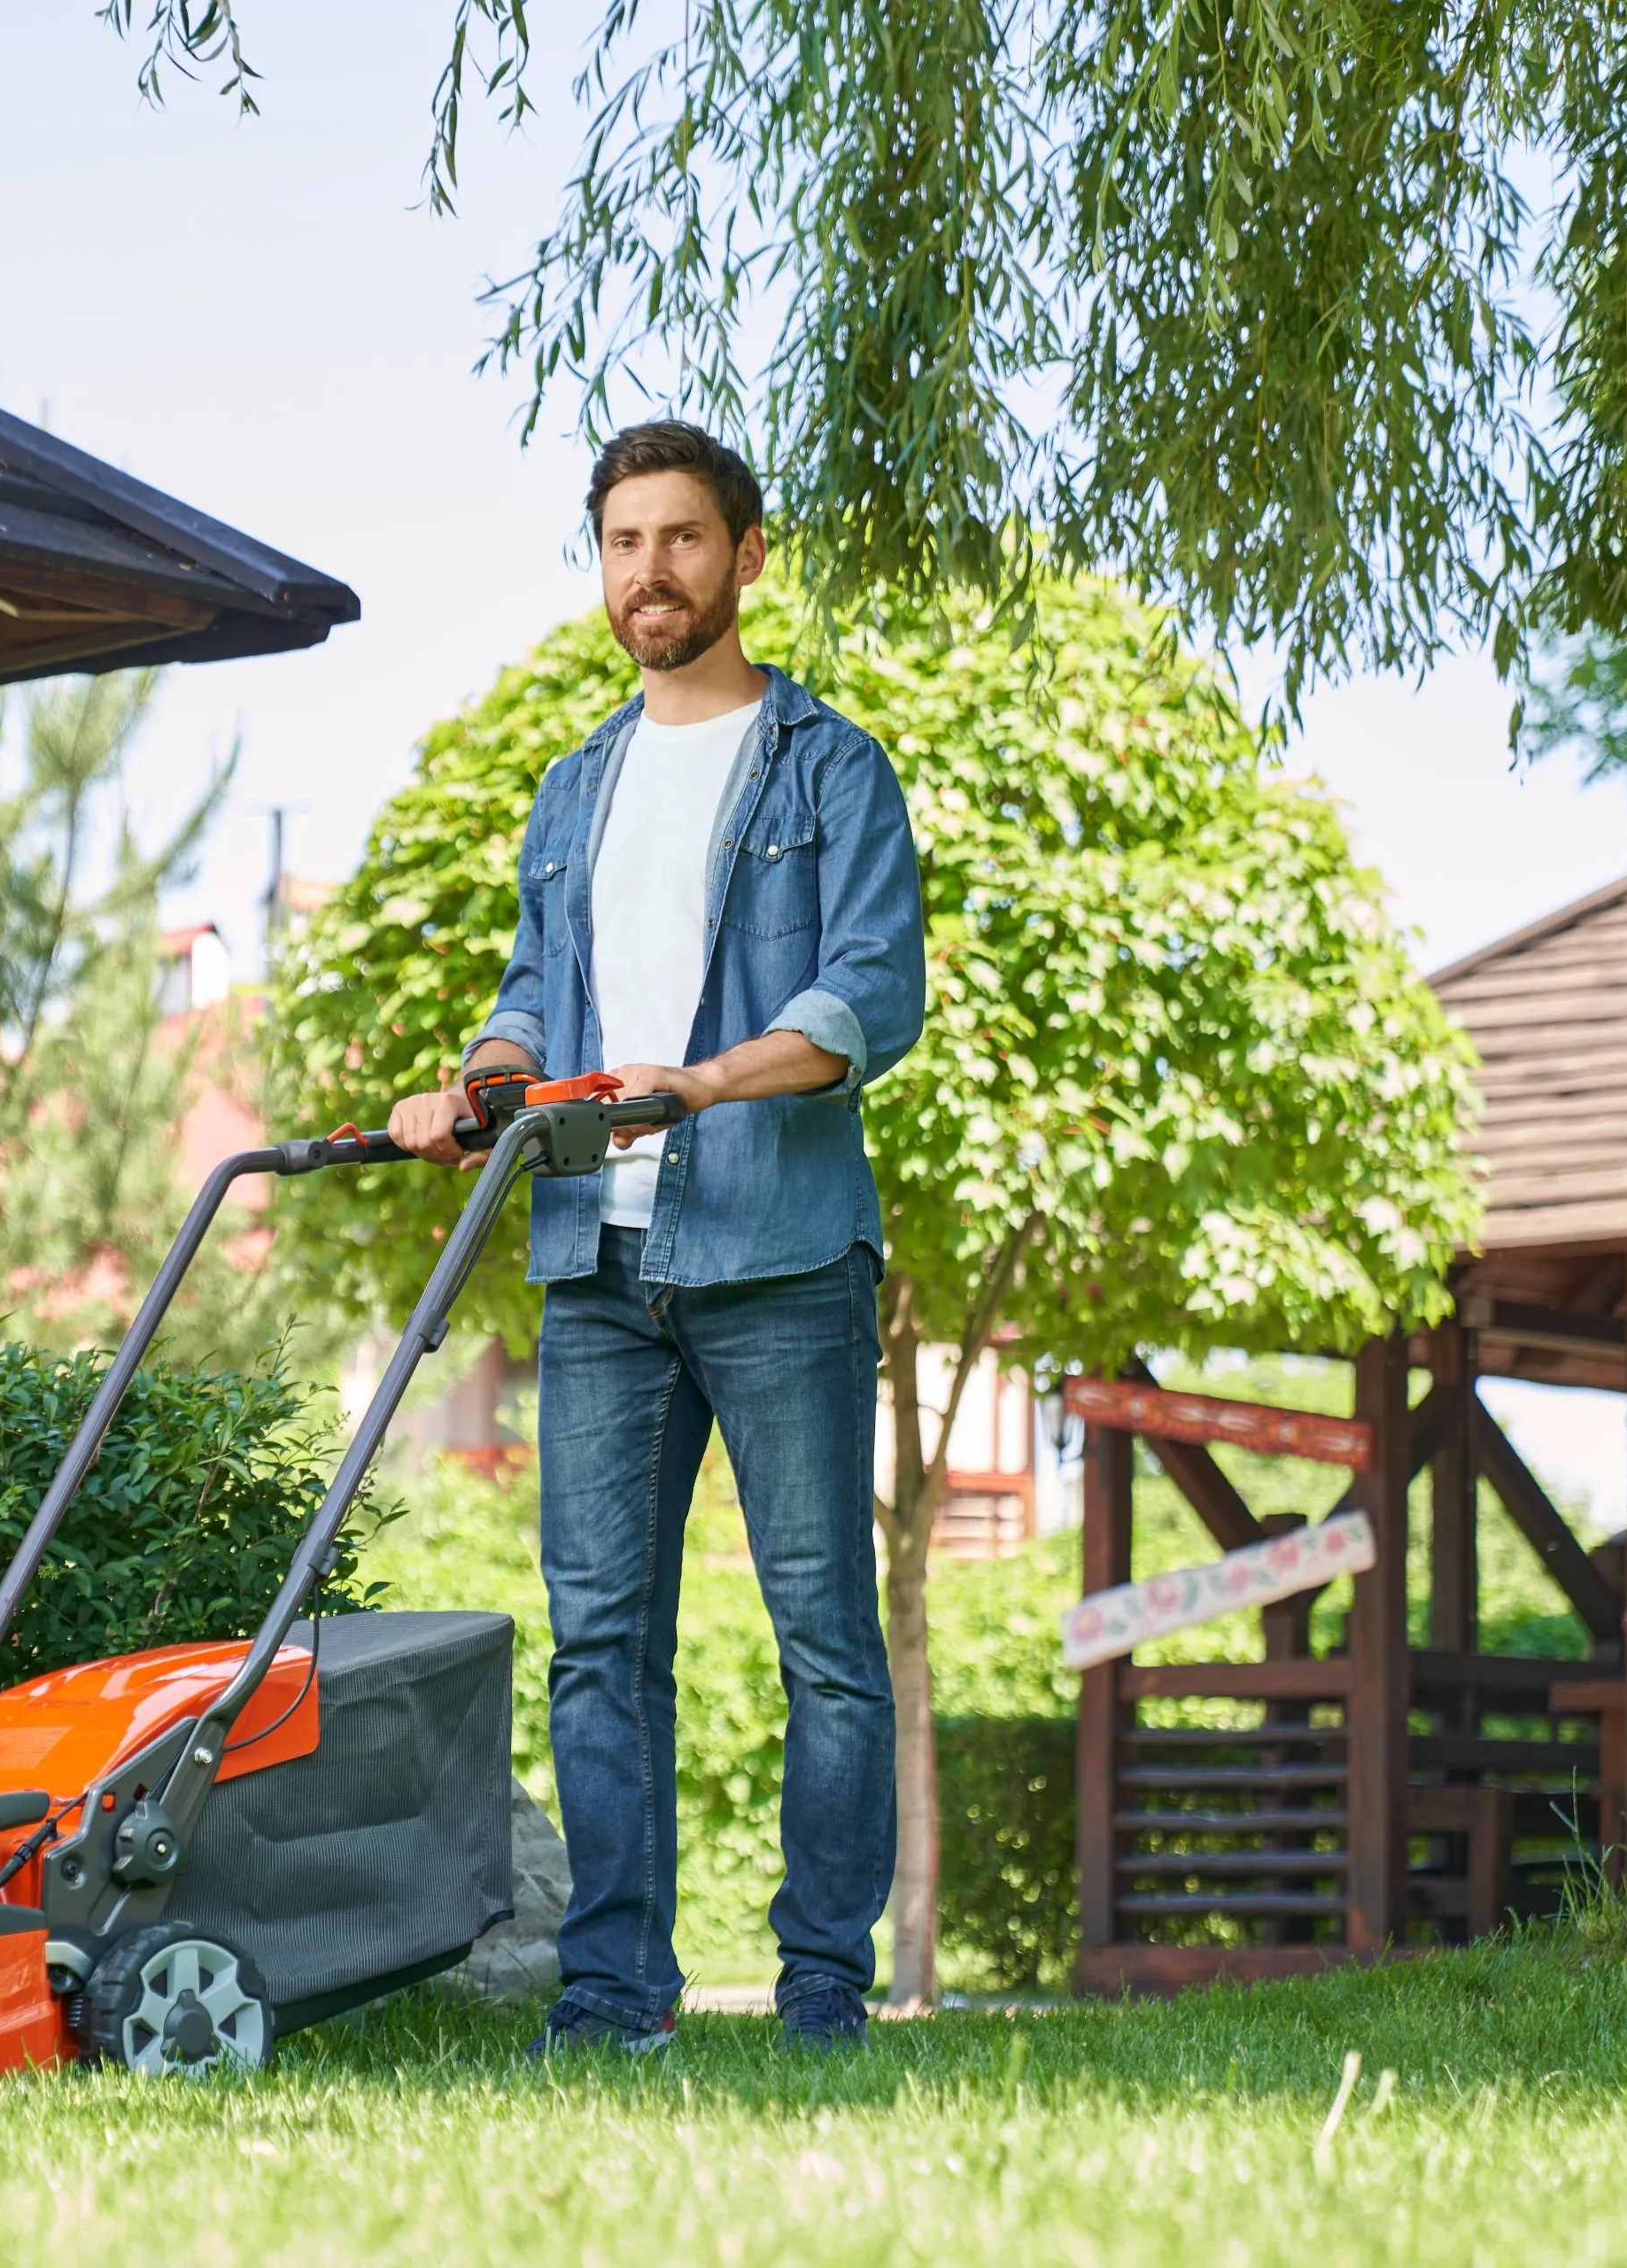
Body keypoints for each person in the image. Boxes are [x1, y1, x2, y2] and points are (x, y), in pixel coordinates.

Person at [389, 421, 926, 2054]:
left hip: (779, 1254)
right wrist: (480, 1081)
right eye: (626, 543)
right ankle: (614, 1993)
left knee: (825, 1640)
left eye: (684, 540)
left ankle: (825, 1990)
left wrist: (702, 1083)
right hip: (599, 1269)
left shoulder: (832, 768)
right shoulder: (572, 789)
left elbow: (866, 1000)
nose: (652, 573)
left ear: (746, 557)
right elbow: (533, 995)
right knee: (599, 1642)